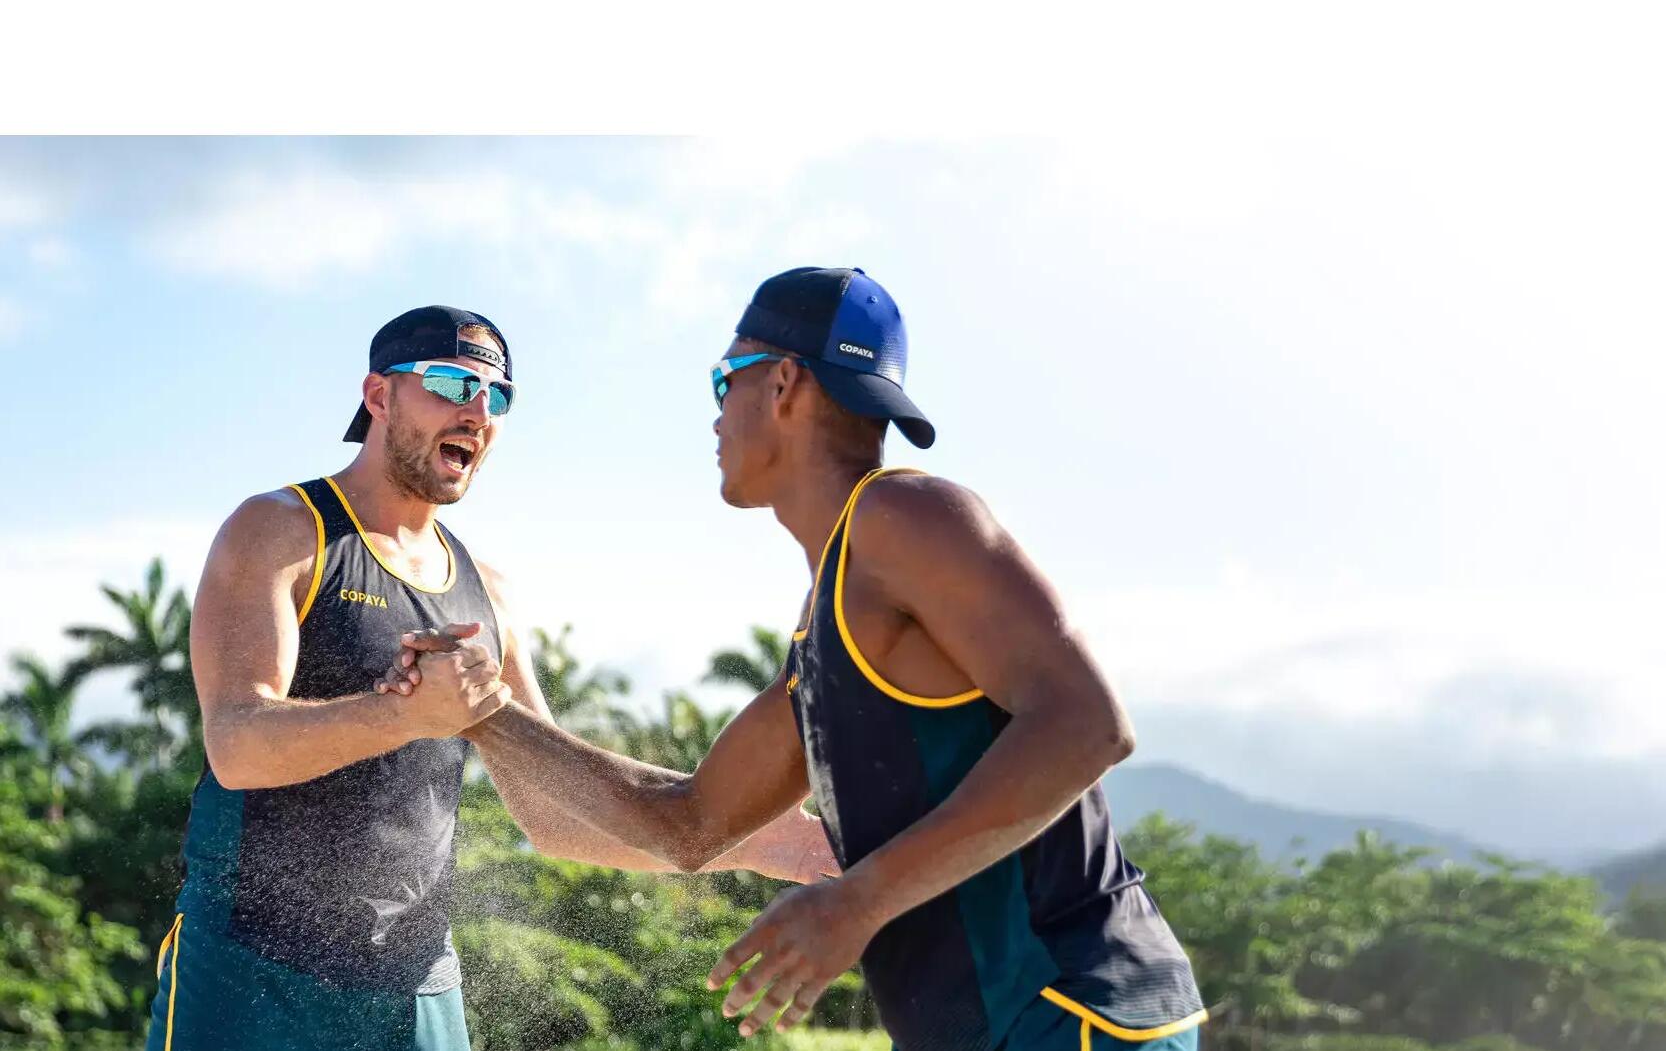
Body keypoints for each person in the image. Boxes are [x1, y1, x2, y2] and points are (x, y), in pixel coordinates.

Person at [393, 270, 1208, 1050]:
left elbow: (1087, 725)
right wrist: (487, 714)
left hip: (1072, 1012)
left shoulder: (905, 514)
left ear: (782, 383)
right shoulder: (828, 621)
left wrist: (855, 903)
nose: (715, 417)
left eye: (724, 382)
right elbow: (686, 826)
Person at [148, 305, 830, 1051]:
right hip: (251, 976)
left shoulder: (486, 591)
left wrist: (778, 847)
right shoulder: (280, 531)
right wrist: (403, 714)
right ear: (378, 397)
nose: (478, 413)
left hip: (417, 992)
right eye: (450, 384)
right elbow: (238, 745)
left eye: (497, 397)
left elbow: (558, 817)